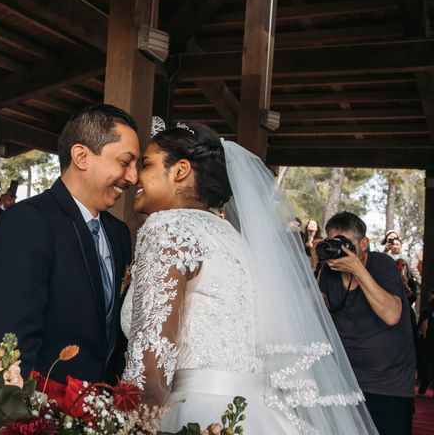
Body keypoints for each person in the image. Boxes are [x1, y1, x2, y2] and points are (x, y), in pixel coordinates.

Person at [121, 123, 378, 434]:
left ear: (180, 171)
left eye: (146, 164)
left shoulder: (167, 228)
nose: (135, 176)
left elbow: (154, 352)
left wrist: (133, 423)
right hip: (254, 412)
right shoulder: (232, 238)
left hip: (194, 413)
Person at [0, 103, 139, 383]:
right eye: (125, 162)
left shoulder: (118, 233)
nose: (133, 176)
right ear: (81, 156)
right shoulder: (26, 222)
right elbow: (12, 345)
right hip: (48, 409)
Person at [318, 211, 415, 435]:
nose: (339, 249)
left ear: (363, 244)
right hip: (345, 382)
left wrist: (358, 270)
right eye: (333, 243)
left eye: (344, 243)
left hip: (389, 386)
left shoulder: (382, 264)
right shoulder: (329, 271)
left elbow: (392, 315)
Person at [417, 290, 434, 395]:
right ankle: (425, 382)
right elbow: (419, 328)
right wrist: (421, 330)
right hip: (426, 345)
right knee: (425, 366)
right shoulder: (425, 313)